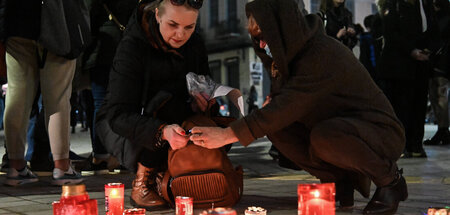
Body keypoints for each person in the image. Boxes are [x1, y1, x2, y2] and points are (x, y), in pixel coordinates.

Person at [188, 0, 408, 214]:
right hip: (341, 129)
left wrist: (227, 134)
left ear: (284, 30)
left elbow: (288, 104)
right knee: (277, 127)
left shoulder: (320, 53)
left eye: (265, 37)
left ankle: (390, 182)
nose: (262, 45)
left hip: (379, 133)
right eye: (256, 38)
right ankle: (338, 182)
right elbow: (280, 108)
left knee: (323, 136)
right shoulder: (286, 58)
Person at [96, 0, 210, 210]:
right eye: (173, 25)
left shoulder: (195, 44)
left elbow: (203, 80)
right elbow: (117, 115)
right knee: (165, 101)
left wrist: (202, 97)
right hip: (127, 126)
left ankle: (171, 174)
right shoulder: (132, 46)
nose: (180, 35)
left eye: (189, 27)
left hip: (175, 119)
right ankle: (143, 180)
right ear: (157, 15)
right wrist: (162, 132)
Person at [1, 0, 84, 186]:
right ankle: (62, 168)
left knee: (16, 96)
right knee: (58, 97)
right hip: (57, 23)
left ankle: (16, 166)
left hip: (17, 24)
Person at [377, 0, 437, 158]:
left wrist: (429, 49)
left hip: (422, 63)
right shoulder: (394, 4)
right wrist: (411, 50)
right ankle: (401, 145)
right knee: (402, 106)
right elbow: (391, 32)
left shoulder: (426, 3)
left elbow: (432, 29)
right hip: (401, 65)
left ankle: (416, 145)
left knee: (419, 105)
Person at [423, 0, 450, 146]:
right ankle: (443, 129)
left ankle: (443, 130)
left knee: (439, 96)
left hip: (440, 63)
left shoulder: (439, 18)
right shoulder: (439, 17)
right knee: (438, 97)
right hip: (439, 63)